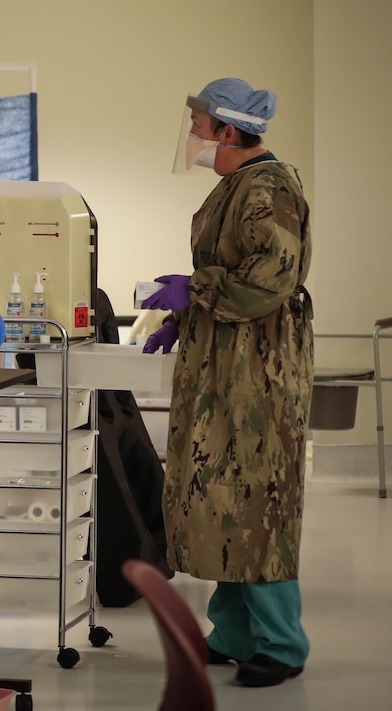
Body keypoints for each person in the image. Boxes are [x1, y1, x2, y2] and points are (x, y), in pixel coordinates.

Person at [141, 77, 313, 688]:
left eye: (200, 126)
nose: (194, 137)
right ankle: (235, 633)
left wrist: (200, 290)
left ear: (229, 131)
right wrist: (184, 316)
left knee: (256, 498)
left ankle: (282, 644)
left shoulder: (269, 188)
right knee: (220, 496)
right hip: (226, 363)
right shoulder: (236, 186)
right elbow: (230, 270)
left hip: (256, 375)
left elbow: (269, 281)